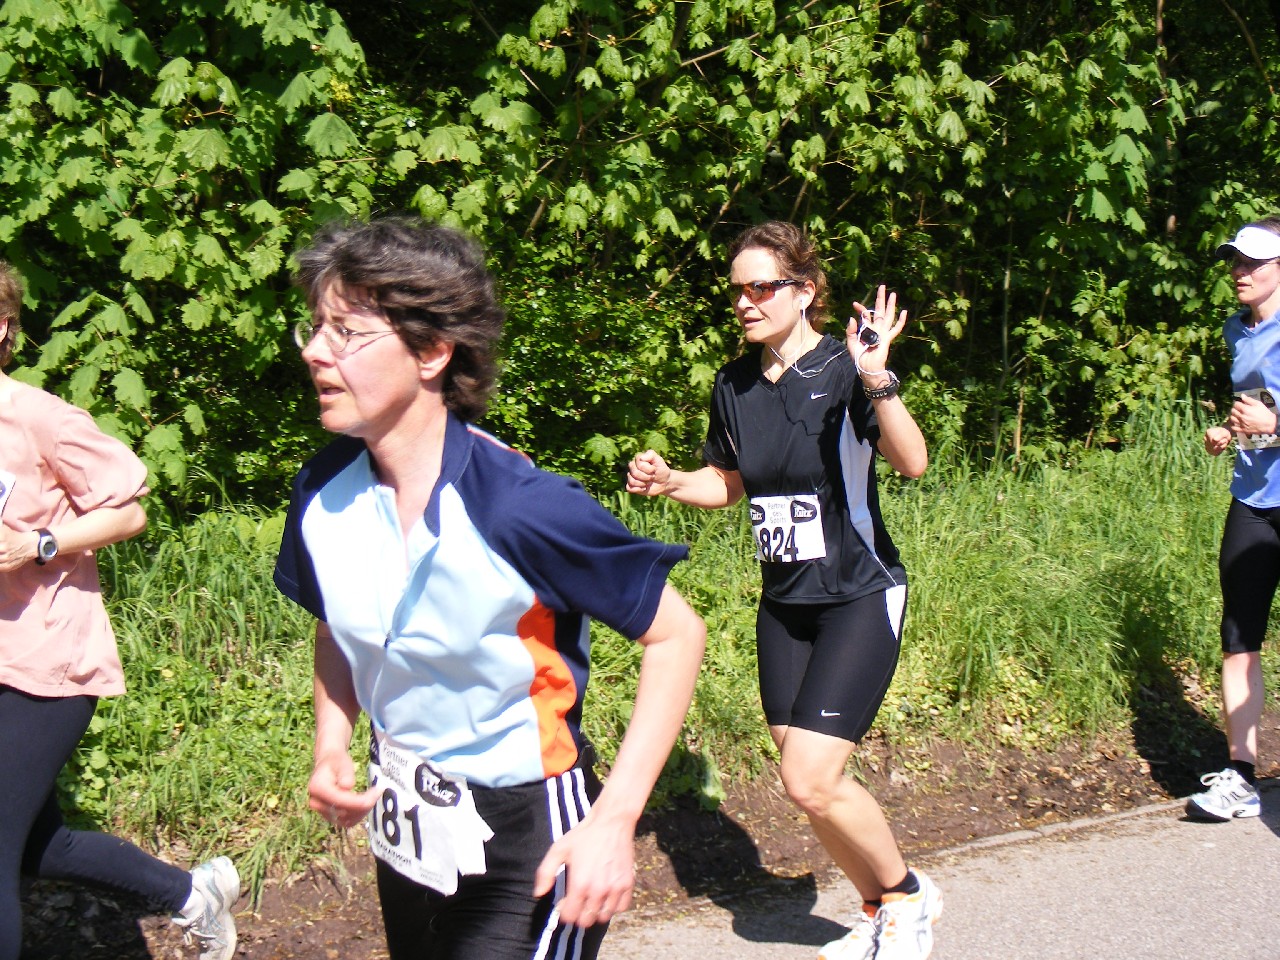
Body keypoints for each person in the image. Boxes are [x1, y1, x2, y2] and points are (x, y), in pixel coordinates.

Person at [272, 216, 707, 960]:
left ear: (432, 352)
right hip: (406, 812)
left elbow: (676, 634)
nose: (315, 351)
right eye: (315, 328)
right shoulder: (321, 492)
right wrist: (330, 744)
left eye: (346, 333)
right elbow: (334, 626)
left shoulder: (519, 507)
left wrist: (614, 820)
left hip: (530, 832)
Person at [626, 221, 941, 960]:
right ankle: (877, 908)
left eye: (762, 287)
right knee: (806, 784)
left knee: (810, 775)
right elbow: (729, 484)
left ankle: (907, 898)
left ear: (804, 291)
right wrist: (671, 481)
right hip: (785, 605)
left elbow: (913, 462)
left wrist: (877, 376)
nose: (745, 301)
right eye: (738, 289)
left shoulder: (845, 367)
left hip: (858, 593)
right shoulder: (734, 384)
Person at [0, 260, 239, 960]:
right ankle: (192, 894)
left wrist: (39, 544)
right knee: (35, 844)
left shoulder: (38, 417)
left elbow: (129, 512)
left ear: (2, 327)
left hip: (46, 659)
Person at [1188, 216, 1280, 821]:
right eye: (1234, 261)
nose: (1239, 272)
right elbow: (1256, 406)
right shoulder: (1236, 330)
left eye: (1252, 262)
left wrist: (1276, 425)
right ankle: (1241, 778)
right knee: (1239, 638)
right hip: (1253, 501)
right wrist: (1231, 430)